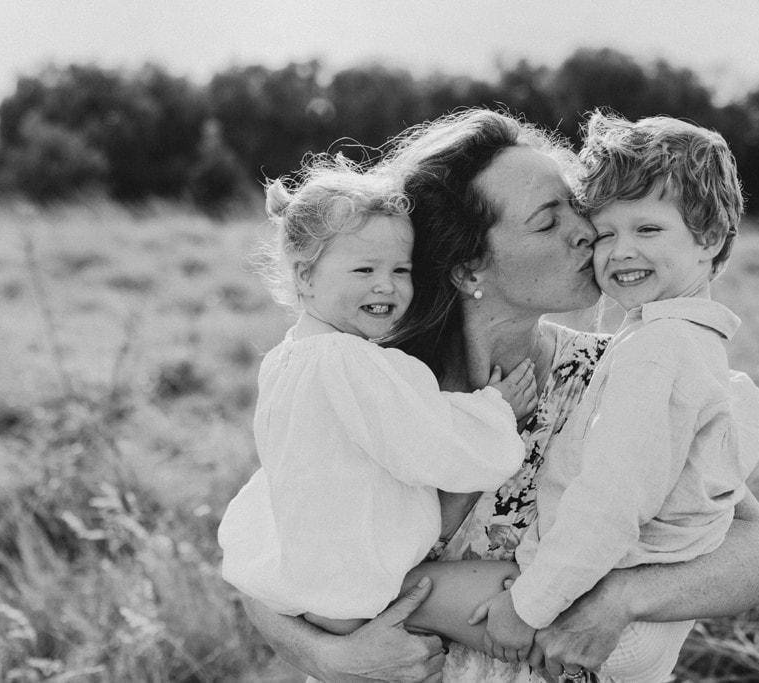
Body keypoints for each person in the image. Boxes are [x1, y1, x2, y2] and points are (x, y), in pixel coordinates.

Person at [238, 109, 759, 683]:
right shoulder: (381, 385)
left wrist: (619, 599)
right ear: (467, 266)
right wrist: (324, 657)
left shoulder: (614, 374)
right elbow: (272, 546)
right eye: (547, 222)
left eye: (578, 211)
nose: (587, 233)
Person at [470, 112, 759, 682]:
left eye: (648, 230)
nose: (619, 251)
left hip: (597, 614)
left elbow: (610, 501)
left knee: (403, 601)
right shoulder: (690, 347)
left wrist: (527, 604)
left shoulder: (659, 353)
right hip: (628, 614)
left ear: (709, 238)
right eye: (606, 232)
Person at [217, 155, 535, 636]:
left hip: (316, 584)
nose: (385, 285)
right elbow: (428, 442)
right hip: (360, 588)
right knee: (523, 592)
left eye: (401, 270)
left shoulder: (288, 359)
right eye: (364, 269)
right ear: (304, 276)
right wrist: (494, 412)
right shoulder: (348, 362)